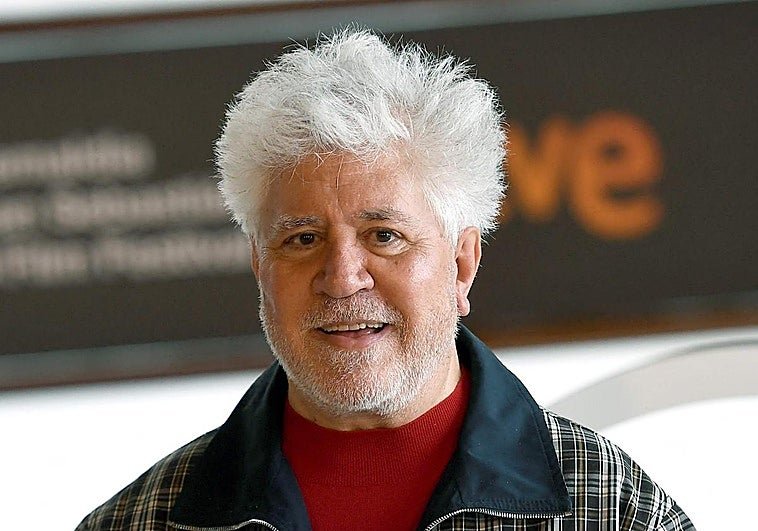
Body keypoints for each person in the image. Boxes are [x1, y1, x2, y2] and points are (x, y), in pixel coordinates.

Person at [77, 28, 694, 531]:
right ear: (259, 265)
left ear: (462, 263)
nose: (342, 279)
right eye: (302, 239)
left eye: (384, 236)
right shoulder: (139, 522)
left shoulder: (613, 511)